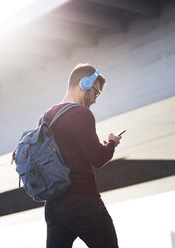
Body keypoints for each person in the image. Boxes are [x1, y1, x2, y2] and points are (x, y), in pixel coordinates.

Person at [43, 63, 122, 248]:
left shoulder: (47, 115)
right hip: (82, 200)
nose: (95, 99)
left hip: (54, 205)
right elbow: (97, 158)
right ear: (84, 84)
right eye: (96, 93)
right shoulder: (80, 113)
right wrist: (111, 143)